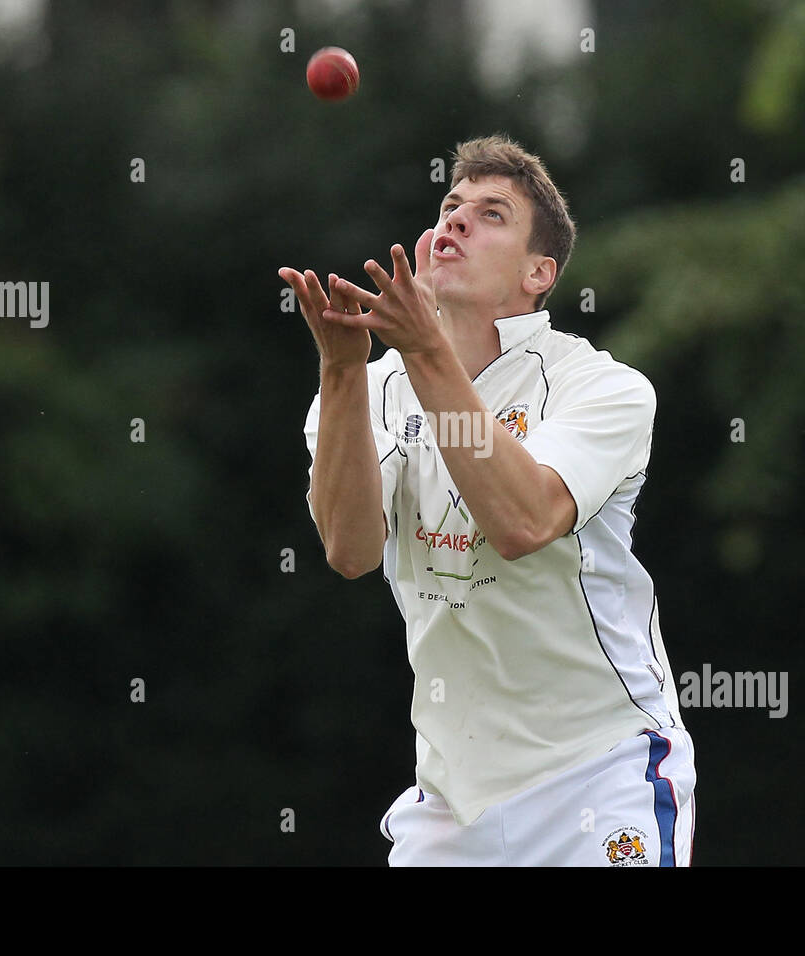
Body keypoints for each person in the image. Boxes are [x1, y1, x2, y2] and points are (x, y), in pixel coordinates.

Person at [279, 133, 695, 866]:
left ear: (541, 272)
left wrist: (424, 353)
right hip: (452, 801)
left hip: (598, 773)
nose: (457, 220)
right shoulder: (366, 390)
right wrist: (342, 372)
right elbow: (350, 551)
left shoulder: (601, 387)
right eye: (450, 205)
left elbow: (523, 521)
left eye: (492, 213)